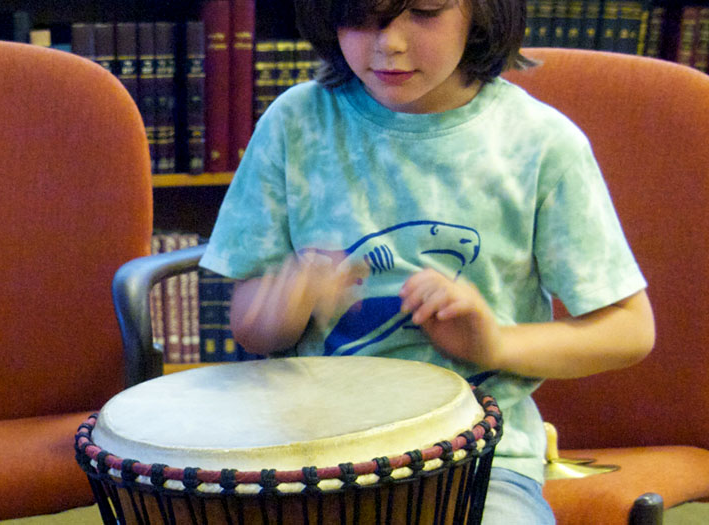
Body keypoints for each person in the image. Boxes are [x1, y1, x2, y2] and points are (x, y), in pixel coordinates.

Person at [200, 0, 655, 521]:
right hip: (312, 450)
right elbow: (253, 329)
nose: (388, 43)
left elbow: (629, 330)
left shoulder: (542, 144)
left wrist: (495, 342)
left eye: (424, 11)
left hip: (480, 458)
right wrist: (287, 300)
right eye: (360, 15)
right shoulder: (296, 122)